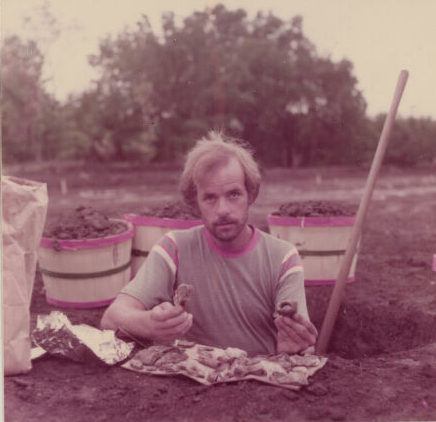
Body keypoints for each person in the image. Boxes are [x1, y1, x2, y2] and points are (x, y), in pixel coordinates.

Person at [101, 131, 318, 356]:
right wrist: (150, 324)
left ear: (250, 194)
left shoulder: (282, 258)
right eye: (210, 198)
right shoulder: (174, 249)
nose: (222, 210)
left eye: (233, 194)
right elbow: (111, 318)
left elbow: (301, 343)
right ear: (195, 203)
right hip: (190, 384)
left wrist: (294, 350)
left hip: (258, 383)